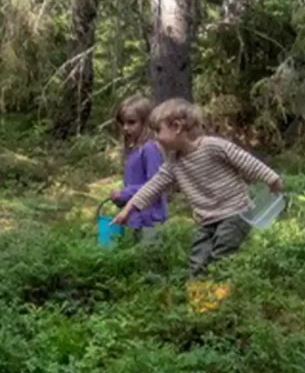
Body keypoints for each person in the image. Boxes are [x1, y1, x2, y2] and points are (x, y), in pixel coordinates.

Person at [112, 97, 283, 277]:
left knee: (221, 256)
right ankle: (200, 298)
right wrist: (127, 210)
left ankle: (223, 297)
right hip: (207, 220)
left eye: (158, 130)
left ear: (176, 127)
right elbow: (153, 186)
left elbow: (247, 162)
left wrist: (273, 181)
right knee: (197, 261)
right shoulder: (174, 162)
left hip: (235, 212)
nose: (155, 136)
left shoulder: (214, 147)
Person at [109, 96, 167, 242]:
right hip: (136, 218)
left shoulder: (149, 149)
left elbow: (155, 184)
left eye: (131, 122)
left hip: (150, 220)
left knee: (150, 258)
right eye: (123, 123)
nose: (126, 128)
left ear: (146, 123)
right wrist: (120, 199)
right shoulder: (135, 151)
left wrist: (125, 193)